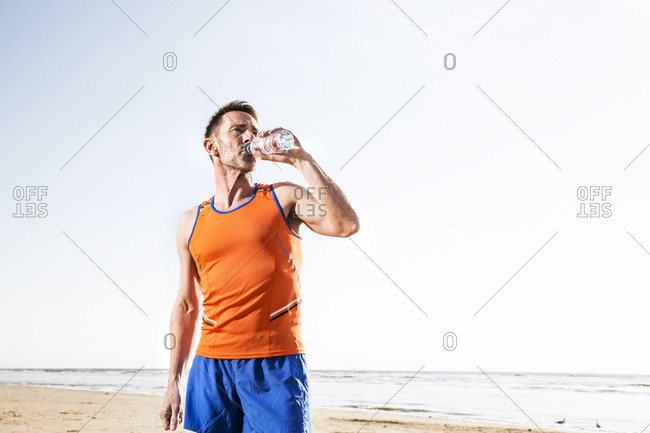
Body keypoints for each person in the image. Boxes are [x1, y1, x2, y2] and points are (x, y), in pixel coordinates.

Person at [159, 100, 360, 433]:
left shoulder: (284, 198)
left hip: (275, 365)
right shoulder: (189, 222)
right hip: (210, 369)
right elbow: (186, 305)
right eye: (238, 130)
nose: (249, 136)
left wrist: (301, 159)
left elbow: (345, 225)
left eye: (254, 130)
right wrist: (174, 382)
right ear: (212, 146)